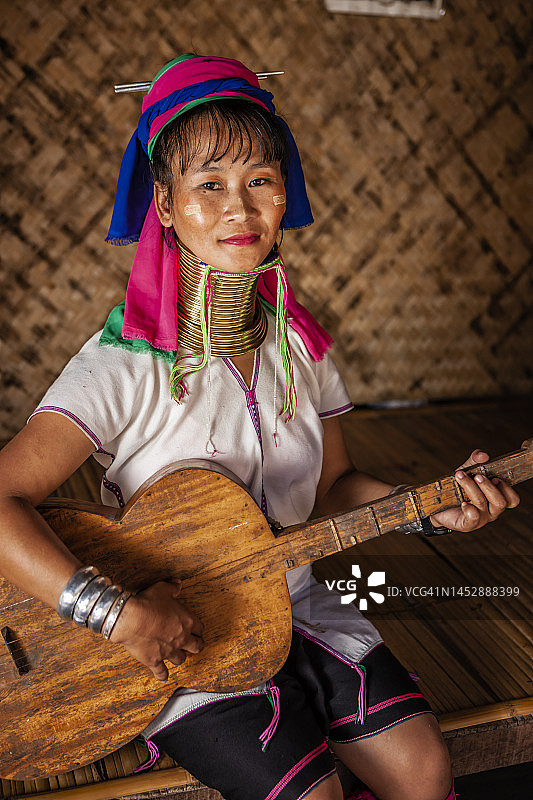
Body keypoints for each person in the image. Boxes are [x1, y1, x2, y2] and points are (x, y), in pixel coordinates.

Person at [0, 54, 520, 800]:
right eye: (208, 184)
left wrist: (428, 508)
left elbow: (334, 487)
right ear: (166, 204)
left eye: (259, 181)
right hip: (177, 632)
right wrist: (115, 615)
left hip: (299, 601)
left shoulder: (300, 347)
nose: (238, 208)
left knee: (423, 772)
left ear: (285, 196)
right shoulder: (122, 365)